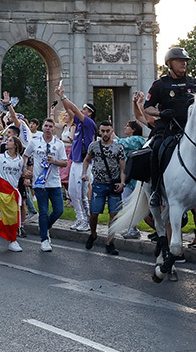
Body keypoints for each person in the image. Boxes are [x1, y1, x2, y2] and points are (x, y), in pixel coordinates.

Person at [141, 46, 196, 208]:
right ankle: (156, 189)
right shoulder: (160, 85)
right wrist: (161, 113)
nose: (184, 64)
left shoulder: (195, 83)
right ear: (169, 64)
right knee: (157, 149)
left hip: (192, 130)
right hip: (169, 129)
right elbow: (147, 107)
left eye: (185, 61)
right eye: (180, 61)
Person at [55, 81, 95, 233]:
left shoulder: (89, 123)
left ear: (90, 113)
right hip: (75, 161)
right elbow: (70, 110)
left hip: (84, 162)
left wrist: (63, 95)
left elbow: (75, 110)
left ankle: (86, 220)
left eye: (85, 109)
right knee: (72, 192)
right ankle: (80, 218)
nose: (82, 110)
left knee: (82, 193)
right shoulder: (78, 123)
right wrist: (61, 98)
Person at [83, 119, 127, 255]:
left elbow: (123, 167)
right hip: (98, 183)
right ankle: (93, 233)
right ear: (99, 131)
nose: (105, 133)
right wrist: (85, 173)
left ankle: (110, 242)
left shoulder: (118, 147)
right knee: (94, 213)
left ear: (112, 131)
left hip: (113, 184)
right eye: (103, 131)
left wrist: (122, 182)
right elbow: (86, 159)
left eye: (108, 131)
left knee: (113, 214)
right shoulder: (94, 146)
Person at [27, 117, 68, 251]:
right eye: (46, 126)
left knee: (58, 210)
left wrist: (54, 161)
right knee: (43, 211)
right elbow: (25, 156)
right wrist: (25, 171)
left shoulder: (59, 144)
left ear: (54, 128)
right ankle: (44, 239)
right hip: (40, 184)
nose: (48, 129)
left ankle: (45, 226)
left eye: (51, 126)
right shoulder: (34, 142)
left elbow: (65, 162)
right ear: (42, 127)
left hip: (54, 182)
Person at [0, 125, 26, 252]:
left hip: (14, 190)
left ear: (15, 145)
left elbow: (21, 173)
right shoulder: (0, 157)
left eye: (10, 140)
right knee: (9, 215)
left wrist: (27, 175)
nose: (7, 141)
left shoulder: (20, 160)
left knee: (13, 215)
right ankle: (12, 240)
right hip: (3, 189)